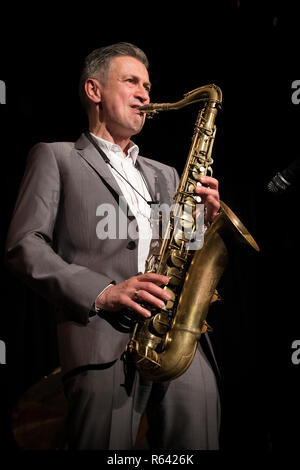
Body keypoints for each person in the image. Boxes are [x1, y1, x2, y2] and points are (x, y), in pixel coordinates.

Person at [5, 42, 221, 450]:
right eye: (131, 81)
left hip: (178, 341)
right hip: (103, 343)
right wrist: (103, 293)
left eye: (148, 85)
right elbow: (24, 246)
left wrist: (203, 223)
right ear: (94, 91)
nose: (145, 93)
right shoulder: (56, 157)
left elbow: (183, 249)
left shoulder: (167, 174)